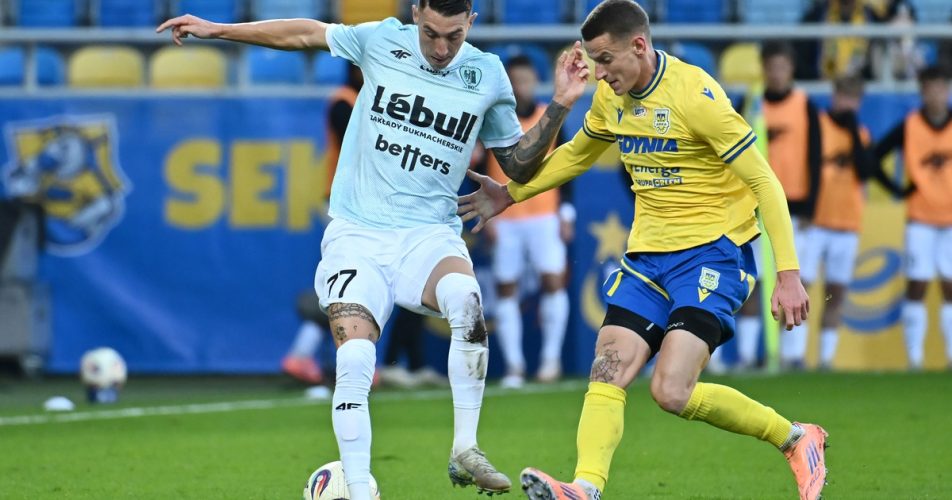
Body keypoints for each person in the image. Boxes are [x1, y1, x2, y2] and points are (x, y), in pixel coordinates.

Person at [157, 2, 589, 499]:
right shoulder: (381, 40)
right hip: (358, 234)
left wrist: (560, 103)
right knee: (356, 358)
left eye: (453, 35)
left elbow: (516, 164)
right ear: (416, 14)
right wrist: (218, 29)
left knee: (467, 303)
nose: (441, 48)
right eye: (430, 33)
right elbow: (304, 33)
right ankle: (360, 490)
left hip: (429, 235)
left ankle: (465, 448)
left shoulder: (487, 74)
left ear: (470, 22)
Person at [458, 2, 827, 499]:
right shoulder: (610, 99)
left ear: (639, 46)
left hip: (712, 252)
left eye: (606, 60)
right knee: (607, 366)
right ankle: (585, 488)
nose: (599, 73)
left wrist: (788, 273)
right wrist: (511, 193)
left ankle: (796, 438)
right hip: (648, 255)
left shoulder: (695, 95)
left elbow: (765, 181)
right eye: (594, 61)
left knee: (670, 392)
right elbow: (577, 154)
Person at [485, 55, 574, 388]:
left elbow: (569, 166)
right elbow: (476, 166)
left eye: (526, 80)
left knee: (553, 282)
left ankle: (551, 360)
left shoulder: (549, 118)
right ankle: (515, 366)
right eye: (515, 81)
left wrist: (566, 213)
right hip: (505, 218)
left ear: (535, 82)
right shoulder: (493, 118)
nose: (521, 87)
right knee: (506, 288)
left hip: (544, 215)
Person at [736, 41, 823, 371]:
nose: (776, 73)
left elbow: (816, 157)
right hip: (755, 211)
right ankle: (748, 355)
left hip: (794, 208)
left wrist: (811, 207)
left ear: (791, 69)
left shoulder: (805, 105)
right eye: (771, 67)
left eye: (782, 67)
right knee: (753, 283)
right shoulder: (750, 104)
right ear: (763, 68)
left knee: (795, 282)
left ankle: (793, 355)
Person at [794, 76, 884, 370]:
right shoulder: (817, 125)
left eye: (853, 98)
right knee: (800, 289)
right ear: (834, 95)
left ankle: (826, 360)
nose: (847, 104)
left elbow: (866, 171)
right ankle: (793, 356)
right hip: (815, 222)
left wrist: (853, 129)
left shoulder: (861, 134)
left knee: (836, 293)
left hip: (847, 223)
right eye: (843, 96)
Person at [282, 65, 365, 385]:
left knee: (354, 282)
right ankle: (320, 356)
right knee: (349, 281)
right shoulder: (344, 100)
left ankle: (310, 354)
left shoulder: (372, 98)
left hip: (362, 204)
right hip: (344, 204)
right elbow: (359, 144)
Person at [873, 65, 952, 371]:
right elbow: (873, 157)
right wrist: (898, 189)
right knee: (918, 284)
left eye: (940, 88)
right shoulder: (910, 125)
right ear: (922, 92)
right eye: (929, 89)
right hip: (920, 218)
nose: (935, 95)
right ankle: (915, 359)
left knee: (949, 287)